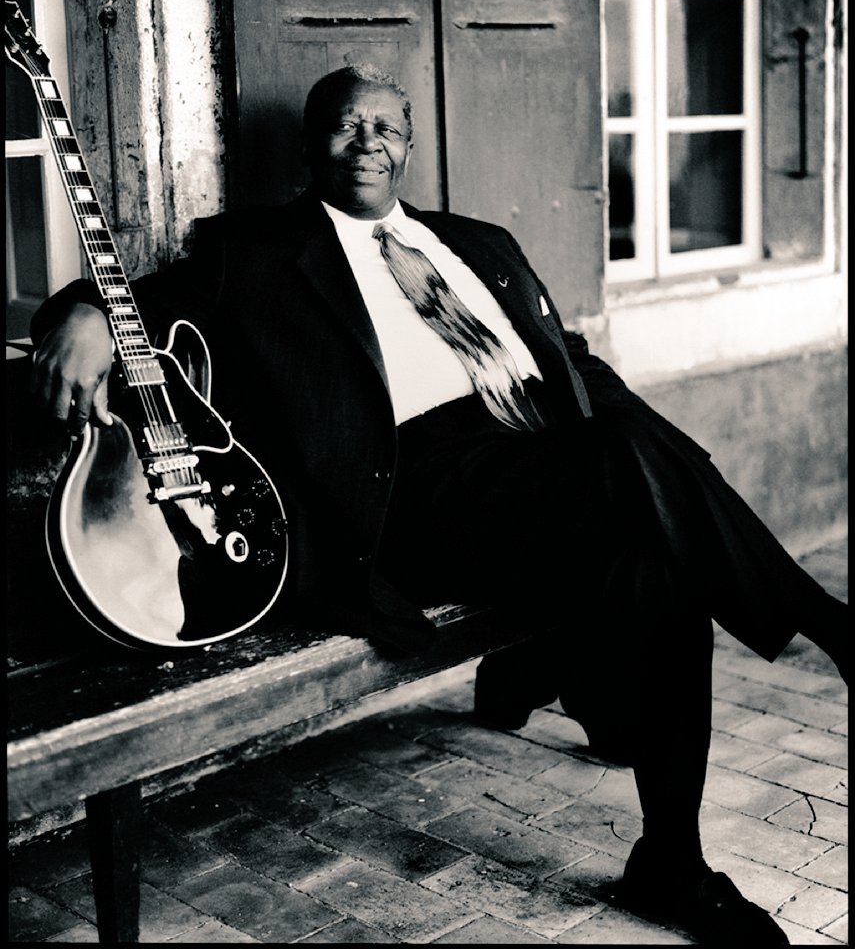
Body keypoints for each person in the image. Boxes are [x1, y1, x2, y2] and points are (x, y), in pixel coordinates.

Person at [31, 64, 846, 944]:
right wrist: (79, 311)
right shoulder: (253, 250)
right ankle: (823, 630)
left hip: (543, 468)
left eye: (384, 126)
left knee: (658, 550)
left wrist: (673, 467)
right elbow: (142, 299)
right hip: (412, 493)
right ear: (311, 146)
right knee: (636, 497)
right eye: (344, 126)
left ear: (409, 144)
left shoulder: (478, 242)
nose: (366, 141)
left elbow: (572, 367)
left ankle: (667, 855)